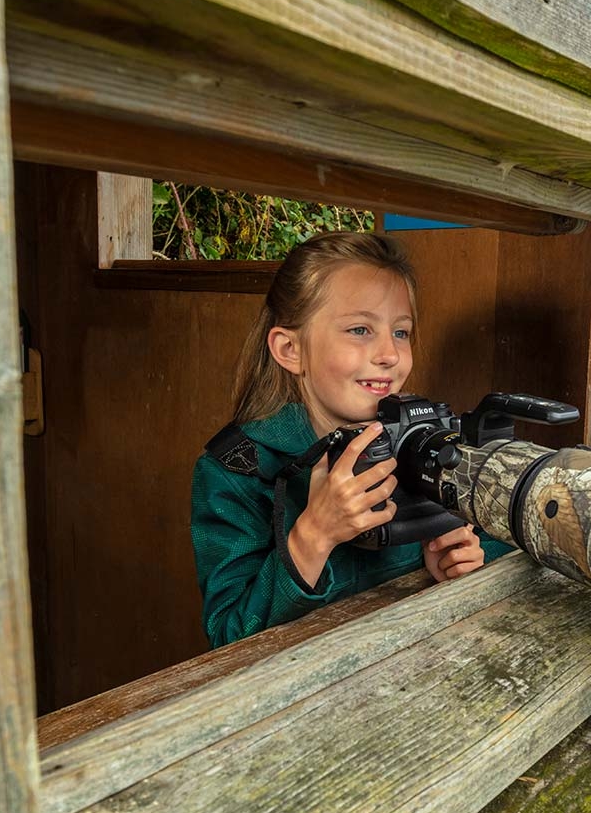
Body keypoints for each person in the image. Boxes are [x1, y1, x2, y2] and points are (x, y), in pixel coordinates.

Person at [191, 231, 512, 647]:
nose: (390, 354)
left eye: (401, 332)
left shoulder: (420, 439)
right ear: (290, 349)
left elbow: (494, 544)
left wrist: (457, 566)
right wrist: (315, 534)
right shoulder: (237, 470)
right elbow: (229, 637)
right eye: (360, 329)